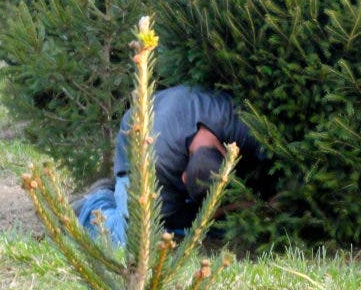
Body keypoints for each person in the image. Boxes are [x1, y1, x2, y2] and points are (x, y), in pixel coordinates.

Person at [72, 85, 265, 247]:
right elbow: (171, 218)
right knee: (131, 238)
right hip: (135, 137)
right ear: (183, 176)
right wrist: (238, 205)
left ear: (226, 153)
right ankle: (96, 201)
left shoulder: (235, 122)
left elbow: (273, 148)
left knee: (212, 228)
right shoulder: (158, 166)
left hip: (169, 112)